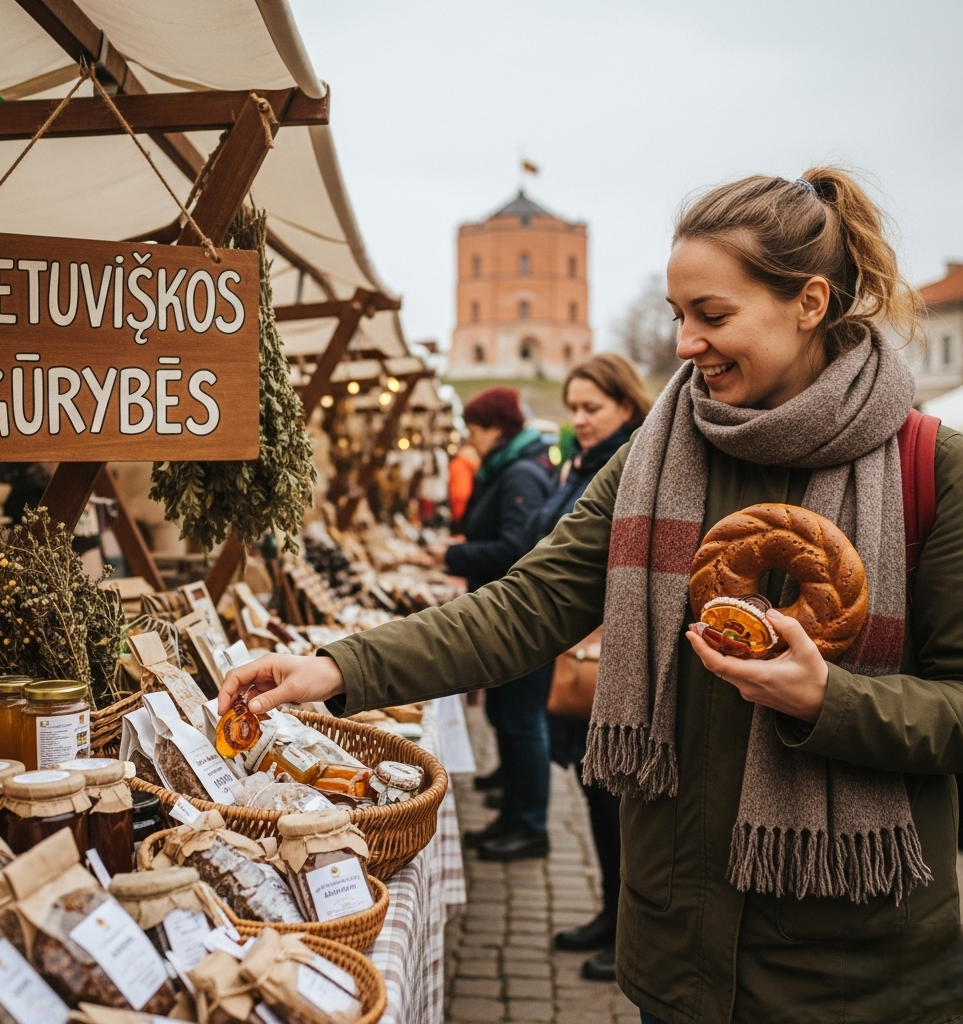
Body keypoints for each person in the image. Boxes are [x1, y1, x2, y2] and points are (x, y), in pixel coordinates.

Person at [221, 168, 963, 1023]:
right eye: (680, 316)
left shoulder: (927, 469)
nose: (685, 345)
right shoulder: (662, 450)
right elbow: (526, 604)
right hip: (678, 939)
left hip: (853, 962)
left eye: (713, 316)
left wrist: (828, 700)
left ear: (810, 303)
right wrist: (336, 668)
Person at [532, 353, 653, 982]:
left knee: (618, 808)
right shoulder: (581, 462)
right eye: (573, 407)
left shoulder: (628, 465)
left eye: (591, 408)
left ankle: (629, 929)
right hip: (582, 651)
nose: (578, 418)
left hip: (613, 660)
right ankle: (610, 914)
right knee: (595, 796)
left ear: (626, 407)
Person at [432, 386, 555, 860]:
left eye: (474, 430)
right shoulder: (508, 467)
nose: (470, 440)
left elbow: (515, 547)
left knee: (523, 721)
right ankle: (513, 815)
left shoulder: (519, 473)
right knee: (508, 716)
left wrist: (452, 554)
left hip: (521, 617)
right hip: (504, 611)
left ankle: (530, 825)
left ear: (495, 428)